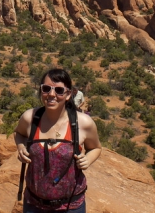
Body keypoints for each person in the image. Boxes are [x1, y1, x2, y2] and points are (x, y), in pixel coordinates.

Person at [15, 68, 102, 213]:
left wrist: (88, 159)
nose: (51, 94)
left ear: (68, 94)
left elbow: (96, 148)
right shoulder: (30, 118)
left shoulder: (83, 123)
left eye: (59, 90)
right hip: (34, 204)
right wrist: (21, 147)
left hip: (70, 206)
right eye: (46, 88)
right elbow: (19, 133)